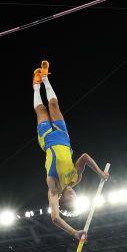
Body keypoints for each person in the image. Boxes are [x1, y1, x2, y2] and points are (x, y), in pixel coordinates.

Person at [33, 60, 109, 240]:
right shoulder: (76, 178)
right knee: (54, 106)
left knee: (42, 110)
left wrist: (74, 232)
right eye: (75, 197)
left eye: (71, 199)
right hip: (63, 137)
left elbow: (55, 218)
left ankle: (36, 85)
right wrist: (99, 172)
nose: (74, 195)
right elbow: (84, 157)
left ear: (62, 200)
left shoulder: (53, 188)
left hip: (48, 140)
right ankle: (45, 77)